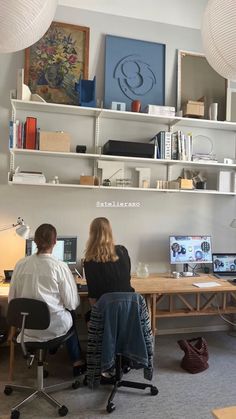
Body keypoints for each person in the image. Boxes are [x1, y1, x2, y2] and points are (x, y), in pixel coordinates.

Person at [8, 223, 86, 377]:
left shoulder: (20, 264)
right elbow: (72, 303)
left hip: (26, 329)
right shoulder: (60, 267)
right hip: (54, 327)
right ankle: (77, 361)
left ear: (34, 241)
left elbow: (12, 300)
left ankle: (42, 357)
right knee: (70, 314)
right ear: (55, 241)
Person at [84, 217, 134, 307]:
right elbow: (127, 278)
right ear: (110, 232)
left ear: (92, 234)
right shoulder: (123, 251)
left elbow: (93, 296)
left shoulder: (89, 261)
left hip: (106, 313)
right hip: (129, 310)